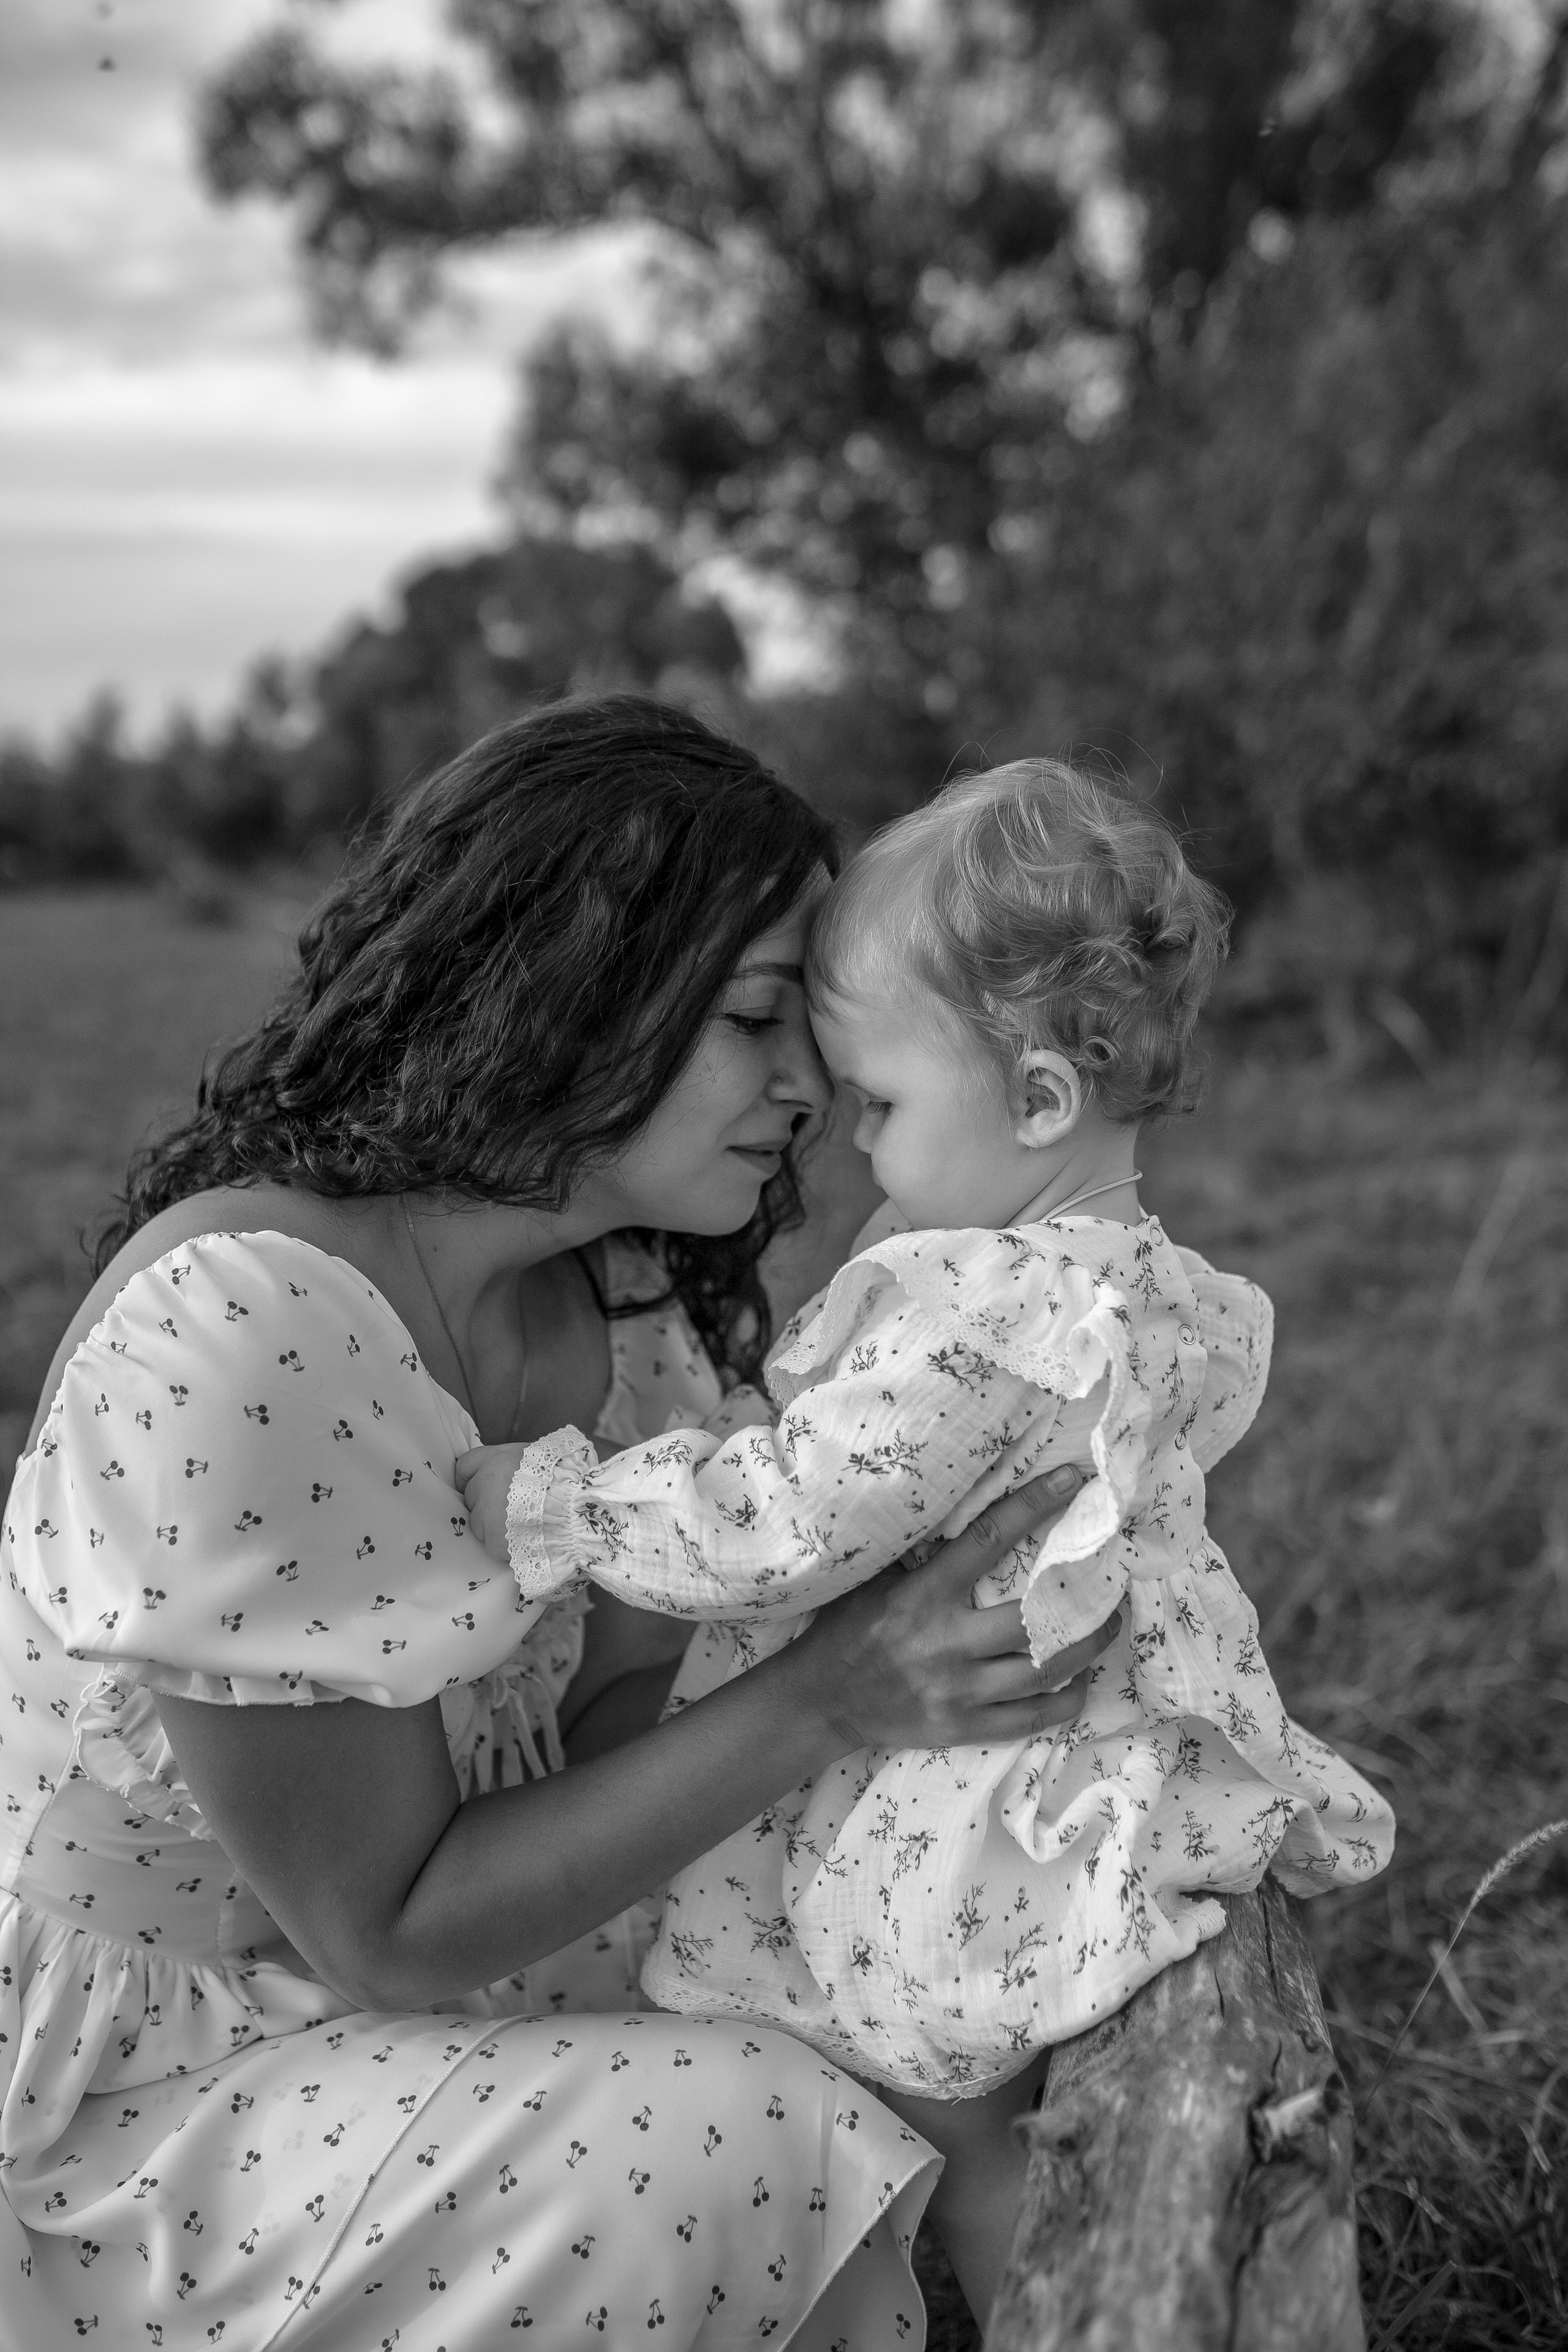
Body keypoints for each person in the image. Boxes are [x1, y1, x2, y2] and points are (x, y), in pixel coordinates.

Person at [0, 700, 1113, 2352]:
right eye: (755, 1018)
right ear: (571, 996)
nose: (815, 1086)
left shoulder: (627, 1309)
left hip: (433, 1980)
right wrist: (832, 1694)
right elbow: (386, 1929)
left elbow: (616, 1727)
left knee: (875, 1971)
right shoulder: (241, 1334)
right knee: (747, 2123)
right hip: (150, 2094)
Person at [458, 760, 1397, 2324]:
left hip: (965, 1792)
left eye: (882, 1107)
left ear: (1034, 1099)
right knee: (952, 2109)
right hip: (1042, 1747)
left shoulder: (994, 1311)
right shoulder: (1128, 1275)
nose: (851, 1148)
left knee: (951, 2124)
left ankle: (1061, 2309)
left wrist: (548, 1508)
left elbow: (790, 1515)